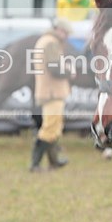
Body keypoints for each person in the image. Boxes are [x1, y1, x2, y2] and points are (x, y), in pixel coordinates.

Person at [29, 19, 74, 172]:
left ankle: (54, 161)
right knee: (49, 129)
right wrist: (69, 71)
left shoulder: (44, 41)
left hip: (48, 91)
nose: (66, 37)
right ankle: (35, 164)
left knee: (54, 128)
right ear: (59, 30)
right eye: (66, 33)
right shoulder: (51, 43)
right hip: (52, 92)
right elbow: (55, 68)